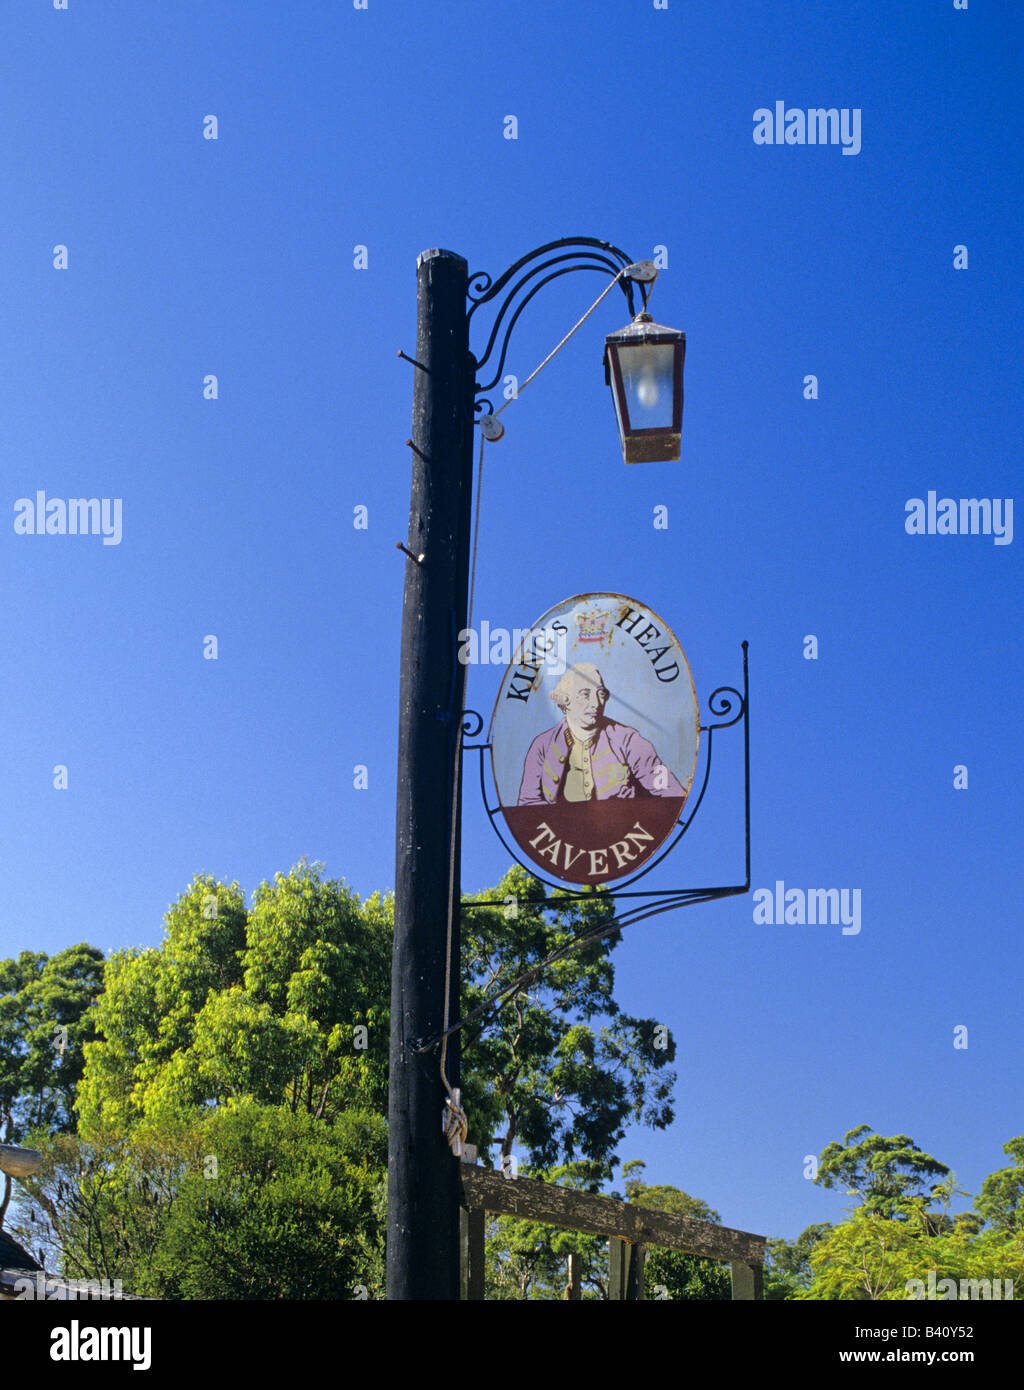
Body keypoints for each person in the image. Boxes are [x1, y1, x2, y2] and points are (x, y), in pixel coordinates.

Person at [516, 663, 685, 805]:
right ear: (565, 700)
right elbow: (527, 805)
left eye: (601, 694)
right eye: (585, 695)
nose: (596, 703)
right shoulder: (543, 746)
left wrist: (636, 803)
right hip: (562, 839)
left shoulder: (628, 740)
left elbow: (673, 793)